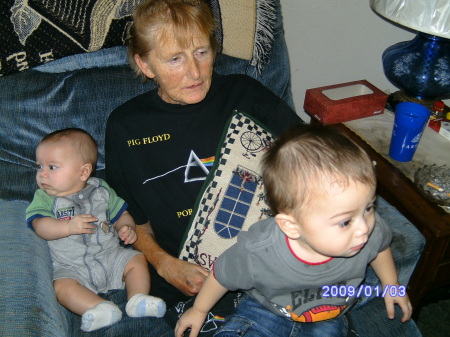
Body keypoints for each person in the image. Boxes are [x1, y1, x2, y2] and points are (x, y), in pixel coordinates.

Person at [105, 0, 304, 333]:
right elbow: (129, 219)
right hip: (194, 284)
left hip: (276, 261)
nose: (194, 73)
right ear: (146, 64)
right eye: (175, 59)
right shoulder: (126, 127)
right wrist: (165, 265)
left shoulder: (245, 94)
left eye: (201, 52)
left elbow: (312, 159)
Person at [174, 125, 413, 337]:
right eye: (345, 222)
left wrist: (392, 286)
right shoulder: (258, 251)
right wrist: (199, 309)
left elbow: (381, 248)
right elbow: (221, 274)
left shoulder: (365, 235)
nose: (364, 227)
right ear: (291, 226)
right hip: (266, 311)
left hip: (329, 317)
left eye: (369, 207)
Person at [25, 128, 166, 332]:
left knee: (136, 259)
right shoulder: (45, 198)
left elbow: (121, 214)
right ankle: (98, 308)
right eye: (39, 166)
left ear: (84, 172)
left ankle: (137, 299)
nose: (42, 174)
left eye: (52, 167)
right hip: (71, 267)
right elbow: (40, 226)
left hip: (110, 255)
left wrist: (126, 227)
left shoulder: (102, 189)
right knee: (61, 287)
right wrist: (66, 227)